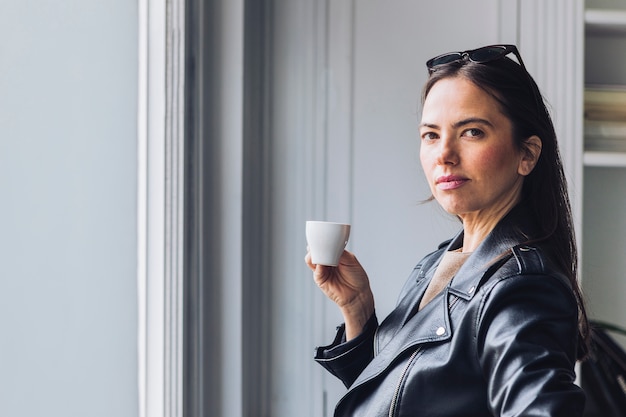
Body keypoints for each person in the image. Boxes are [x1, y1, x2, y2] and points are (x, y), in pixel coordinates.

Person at [305, 44, 590, 416]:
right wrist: (358, 310)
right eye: (431, 135)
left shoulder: (522, 288)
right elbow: (403, 398)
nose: (444, 154)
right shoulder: (440, 261)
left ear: (528, 154)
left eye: (472, 132)